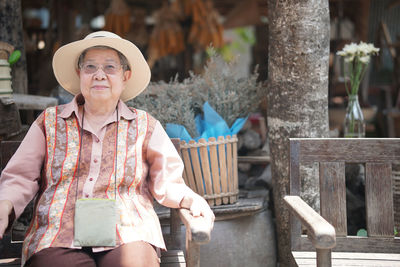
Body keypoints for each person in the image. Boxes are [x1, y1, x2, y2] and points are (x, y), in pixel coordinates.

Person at [0, 31, 214, 267]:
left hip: (129, 234)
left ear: (125, 76)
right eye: (90, 67)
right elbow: (19, 177)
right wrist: (5, 204)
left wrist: (191, 199)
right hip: (58, 235)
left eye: (110, 67)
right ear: (79, 73)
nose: (99, 75)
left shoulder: (145, 126)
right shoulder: (49, 122)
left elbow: (169, 181)